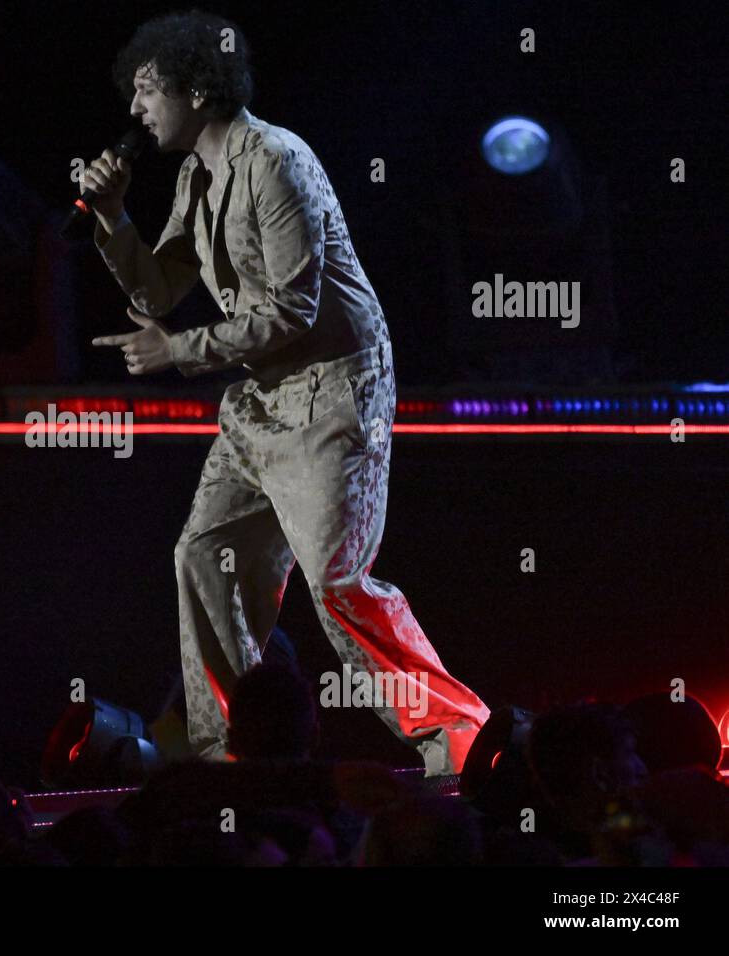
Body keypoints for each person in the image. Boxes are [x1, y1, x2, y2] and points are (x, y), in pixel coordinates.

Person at [85, 10, 489, 775]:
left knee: (336, 583)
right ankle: (238, 750)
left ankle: (460, 737)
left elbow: (292, 310)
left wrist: (180, 353)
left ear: (197, 87)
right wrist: (111, 219)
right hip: (261, 399)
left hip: (334, 388)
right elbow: (162, 287)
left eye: (146, 90)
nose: (134, 110)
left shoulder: (276, 160)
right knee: (205, 553)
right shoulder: (194, 174)